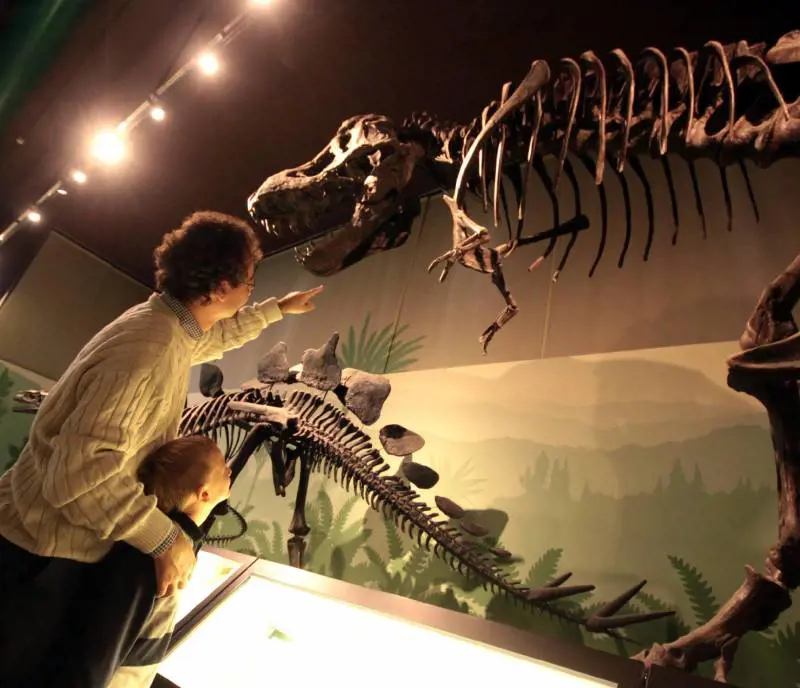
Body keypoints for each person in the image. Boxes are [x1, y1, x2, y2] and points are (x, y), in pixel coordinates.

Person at [0, 210, 323, 685]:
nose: (251, 288)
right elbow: (79, 474)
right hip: (36, 556)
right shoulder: (148, 348)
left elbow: (208, 339)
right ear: (220, 288)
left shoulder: (164, 326)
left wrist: (277, 310)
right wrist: (165, 539)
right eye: (249, 281)